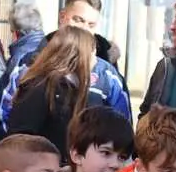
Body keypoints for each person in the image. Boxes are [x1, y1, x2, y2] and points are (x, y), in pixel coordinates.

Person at [0, 0, 131, 137]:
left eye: (91, 25)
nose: (84, 29)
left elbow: (123, 130)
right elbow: (2, 116)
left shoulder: (107, 75)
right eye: (78, 20)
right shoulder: (29, 64)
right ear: (62, 17)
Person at [7, 26, 108, 158]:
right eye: (93, 53)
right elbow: (21, 137)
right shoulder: (39, 87)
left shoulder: (77, 88)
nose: (96, 60)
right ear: (77, 54)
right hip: (42, 171)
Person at [0, 3, 47, 141]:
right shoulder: (50, 48)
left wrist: (1, 135)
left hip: (18, 138)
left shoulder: (20, 59)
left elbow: (4, 102)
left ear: (16, 32)